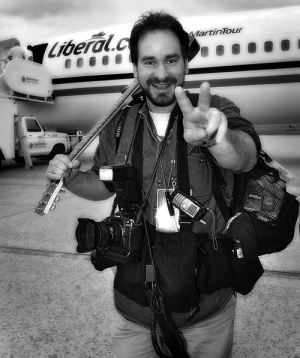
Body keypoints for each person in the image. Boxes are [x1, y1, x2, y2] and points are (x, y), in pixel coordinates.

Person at [45, 11, 261, 358]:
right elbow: (103, 187)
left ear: (185, 64)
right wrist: (72, 178)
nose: (161, 73)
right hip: (135, 311)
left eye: (171, 59)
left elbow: (246, 157)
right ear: (135, 68)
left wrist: (215, 139)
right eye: (150, 62)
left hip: (208, 310)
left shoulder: (214, 109)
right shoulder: (119, 124)